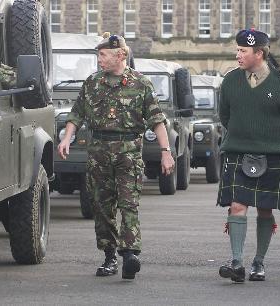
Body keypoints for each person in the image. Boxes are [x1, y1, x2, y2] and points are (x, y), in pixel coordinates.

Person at [57, 33, 174, 280]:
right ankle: (109, 255)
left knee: (128, 203)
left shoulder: (141, 84)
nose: (99, 60)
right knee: (101, 207)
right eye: (98, 55)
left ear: (120, 55)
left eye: (102, 55)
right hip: (98, 152)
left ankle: (130, 254)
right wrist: (66, 138)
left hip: (129, 152)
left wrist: (165, 152)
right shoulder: (92, 83)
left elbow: (157, 121)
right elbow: (76, 115)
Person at [217, 29, 280, 282]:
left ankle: (259, 263)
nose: (238, 54)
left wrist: (275, 142)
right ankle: (237, 262)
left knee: (265, 209)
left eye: (243, 51)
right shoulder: (231, 80)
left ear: (260, 53)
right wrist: (242, 136)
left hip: (271, 154)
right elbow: (225, 116)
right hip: (238, 152)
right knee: (237, 205)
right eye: (238, 49)